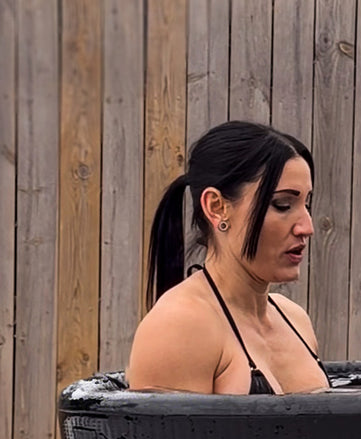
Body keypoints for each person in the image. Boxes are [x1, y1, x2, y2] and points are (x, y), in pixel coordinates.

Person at [127, 121, 329, 395]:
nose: (307, 227)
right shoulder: (180, 326)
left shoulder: (294, 319)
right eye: (282, 205)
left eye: (307, 204)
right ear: (217, 207)